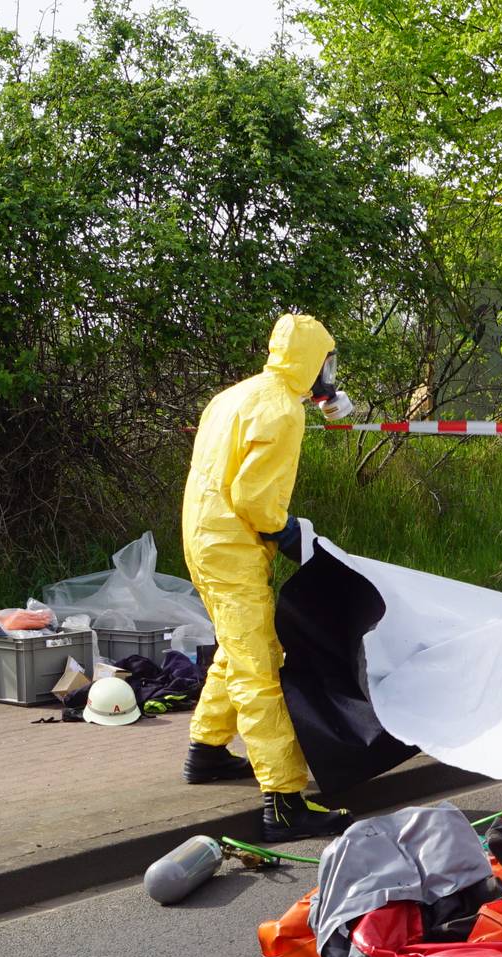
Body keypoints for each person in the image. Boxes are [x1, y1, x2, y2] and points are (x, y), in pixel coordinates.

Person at [181, 313, 358, 842]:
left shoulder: (238, 394)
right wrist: (289, 532)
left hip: (203, 535)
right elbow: (256, 499)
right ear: (312, 361)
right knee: (259, 666)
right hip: (233, 543)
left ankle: (207, 751)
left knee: (237, 648)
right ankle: (283, 802)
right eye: (329, 362)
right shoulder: (282, 410)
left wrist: (322, 400)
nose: (331, 371)